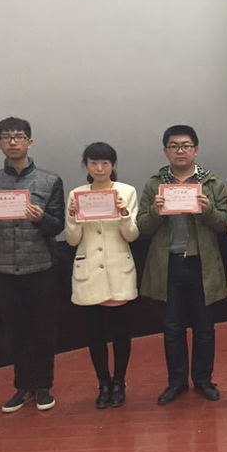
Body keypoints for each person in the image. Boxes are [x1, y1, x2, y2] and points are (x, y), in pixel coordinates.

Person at [0, 117, 64, 412]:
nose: (13, 142)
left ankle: (43, 386)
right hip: (3, 268)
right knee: (15, 332)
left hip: (41, 266)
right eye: (7, 137)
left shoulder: (50, 181)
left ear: (29, 142)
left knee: (43, 330)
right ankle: (23, 386)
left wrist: (41, 219)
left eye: (19, 136)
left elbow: (57, 226)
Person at [137, 125, 227, 405]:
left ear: (195, 150)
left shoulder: (211, 183)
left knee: (204, 328)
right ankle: (176, 382)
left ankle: (203, 380)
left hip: (202, 264)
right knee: (172, 328)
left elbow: (225, 224)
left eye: (186, 146)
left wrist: (208, 209)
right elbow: (142, 226)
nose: (180, 151)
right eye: (174, 146)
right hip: (169, 265)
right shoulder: (155, 184)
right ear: (165, 151)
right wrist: (155, 211)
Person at [66, 142, 140, 407]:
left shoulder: (126, 192)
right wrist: (74, 218)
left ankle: (119, 381)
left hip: (118, 269)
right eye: (93, 163)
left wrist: (123, 214)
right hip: (88, 270)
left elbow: (132, 235)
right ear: (86, 165)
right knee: (94, 335)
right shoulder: (77, 194)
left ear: (113, 165)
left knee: (121, 333)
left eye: (105, 163)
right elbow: (72, 240)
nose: (99, 168)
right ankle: (103, 383)